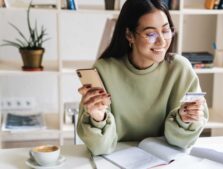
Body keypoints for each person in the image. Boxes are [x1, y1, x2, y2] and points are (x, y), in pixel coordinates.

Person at [77, 0, 209, 155]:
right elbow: (100, 148)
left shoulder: (180, 69)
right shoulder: (104, 70)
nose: (162, 41)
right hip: (116, 159)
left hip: (165, 160)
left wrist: (185, 119)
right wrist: (98, 119)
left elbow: (182, 143)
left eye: (166, 31)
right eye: (151, 34)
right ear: (129, 35)